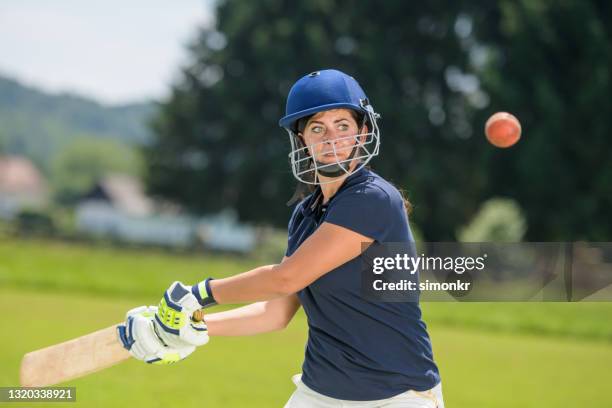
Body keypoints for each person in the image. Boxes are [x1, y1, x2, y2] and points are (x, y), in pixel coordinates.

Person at [118, 69, 444, 407]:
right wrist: (192, 326)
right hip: (319, 393)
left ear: (363, 132)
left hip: (397, 396)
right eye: (318, 128)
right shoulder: (305, 215)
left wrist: (198, 295)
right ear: (302, 139)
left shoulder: (373, 198)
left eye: (343, 125)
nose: (331, 138)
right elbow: (274, 314)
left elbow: (285, 279)